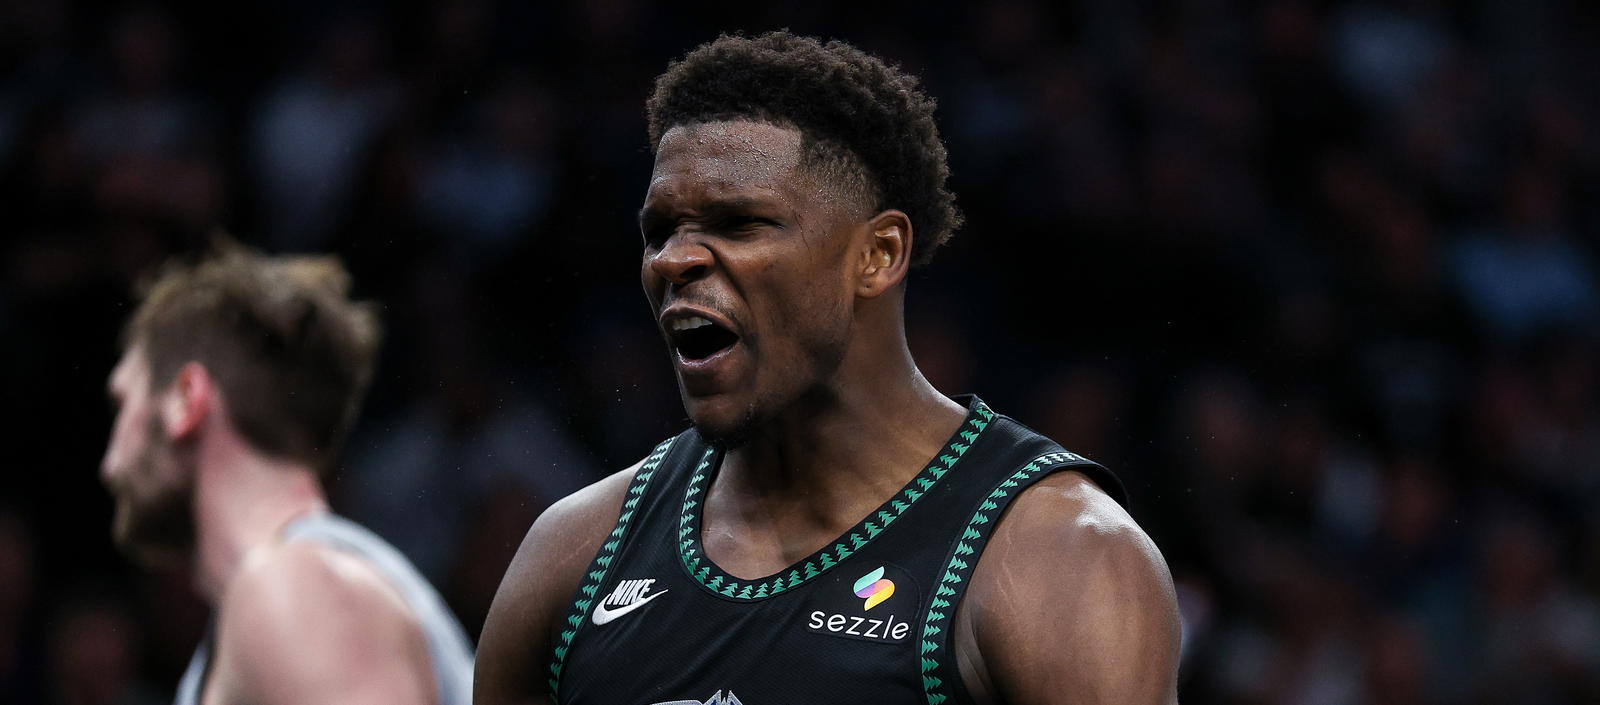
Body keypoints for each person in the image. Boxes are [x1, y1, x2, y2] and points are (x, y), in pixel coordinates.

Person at [477, 31, 1179, 705]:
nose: (673, 260)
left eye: (739, 223)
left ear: (878, 254)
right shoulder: (575, 552)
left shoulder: (1057, 555)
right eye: (659, 231)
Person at [101, 244, 474, 705]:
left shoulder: (293, 587)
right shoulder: (291, 590)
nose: (109, 463)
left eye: (122, 405)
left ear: (185, 400)